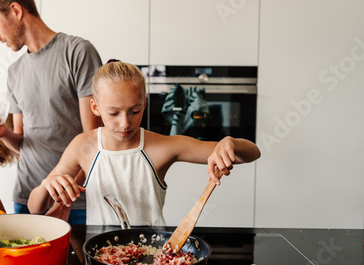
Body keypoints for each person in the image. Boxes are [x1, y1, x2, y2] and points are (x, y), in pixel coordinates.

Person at [28, 61, 261, 226]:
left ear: (144, 103)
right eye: (113, 113)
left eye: (134, 111)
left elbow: (252, 152)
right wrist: (48, 184)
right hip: (100, 259)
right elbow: (34, 207)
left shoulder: (160, 146)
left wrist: (229, 142)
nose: (125, 123)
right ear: (96, 108)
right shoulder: (83, 146)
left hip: (152, 259)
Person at [0, 0, 102, 223]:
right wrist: (3, 134)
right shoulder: (14, 72)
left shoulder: (77, 52)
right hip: (26, 200)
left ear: (15, 11)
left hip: (75, 202)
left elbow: (94, 140)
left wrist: (65, 199)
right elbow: (23, 143)